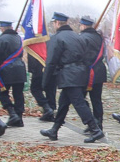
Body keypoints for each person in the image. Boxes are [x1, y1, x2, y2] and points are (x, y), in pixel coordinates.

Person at [40, 12, 104, 143]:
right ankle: (54, 130)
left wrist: (45, 82)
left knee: (79, 103)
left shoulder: (57, 38)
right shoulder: (77, 36)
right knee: (63, 103)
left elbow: (51, 61)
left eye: (54, 23)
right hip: (81, 73)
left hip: (69, 75)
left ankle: (95, 130)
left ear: (57, 23)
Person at [0, 20, 27, 127]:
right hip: (20, 70)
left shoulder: (0, 39)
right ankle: (19, 119)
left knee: (1, 93)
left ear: (2, 29)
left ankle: (12, 113)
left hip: (7, 71)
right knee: (18, 94)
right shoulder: (18, 38)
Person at [79, 16, 107, 132]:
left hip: (86, 71)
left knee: (80, 98)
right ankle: (98, 123)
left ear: (84, 25)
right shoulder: (100, 37)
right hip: (99, 70)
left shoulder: (82, 38)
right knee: (96, 99)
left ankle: (92, 123)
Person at [28, 36, 56, 122]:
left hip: (39, 69)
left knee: (35, 89)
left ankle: (47, 108)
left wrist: (31, 70)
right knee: (50, 90)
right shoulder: (52, 38)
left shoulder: (34, 40)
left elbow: (32, 56)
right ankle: (50, 113)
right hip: (52, 68)